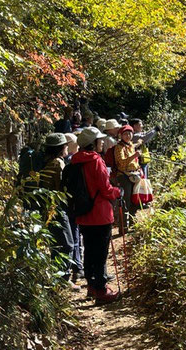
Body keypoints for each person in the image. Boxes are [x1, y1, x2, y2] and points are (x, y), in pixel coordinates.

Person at [70, 127, 121, 304]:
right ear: (93, 143)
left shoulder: (75, 160)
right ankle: (101, 290)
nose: (102, 142)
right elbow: (105, 189)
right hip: (100, 214)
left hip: (83, 214)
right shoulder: (96, 161)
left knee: (89, 251)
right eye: (99, 140)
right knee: (100, 254)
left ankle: (92, 286)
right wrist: (117, 192)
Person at [39, 133, 79, 290]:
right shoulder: (58, 164)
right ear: (61, 148)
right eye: (66, 146)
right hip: (56, 208)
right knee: (67, 244)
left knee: (57, 244)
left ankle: (58, 280)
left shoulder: (46, 163)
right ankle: (63, 280)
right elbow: (62, 186)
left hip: (47, 208)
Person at [114, 125, 142, 231]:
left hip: (134, 175)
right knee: (126, 202)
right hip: (124, 176)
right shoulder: (119, 147)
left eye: (130, 133)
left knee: (135, 200)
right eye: (125, 134)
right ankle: (123, 227)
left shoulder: (131, 145)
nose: (128, 135)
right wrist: (134, 156)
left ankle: (132, 223)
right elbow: (121, 163)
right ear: (121, 135)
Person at [63, 132, 83, 281]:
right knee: (74, 236)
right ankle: (77, 266)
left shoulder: (60, 161)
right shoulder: (70, 161)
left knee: (71, 236)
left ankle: (74, 267)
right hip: (71, 205)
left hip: (64, 205)